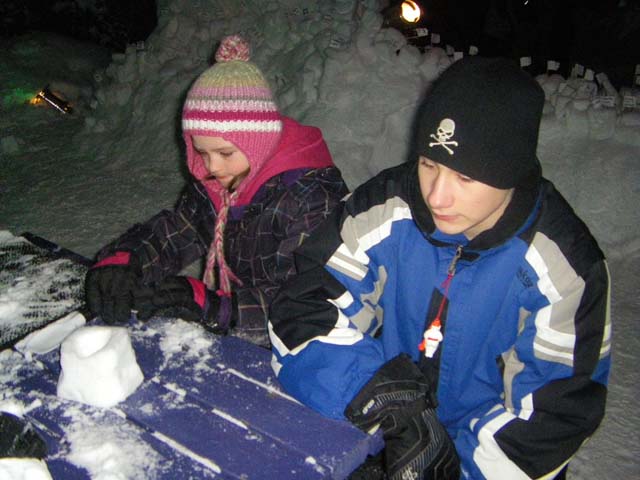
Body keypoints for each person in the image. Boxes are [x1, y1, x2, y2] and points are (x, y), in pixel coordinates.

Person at [268, 57, 611, 479]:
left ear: (512, 174)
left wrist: (442, 470)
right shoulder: (386, 207)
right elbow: (303, 310)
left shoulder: (564, 268)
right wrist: (382, 402)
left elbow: (553, 418)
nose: (436, 196)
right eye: (429, 164)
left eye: (465, 178)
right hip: (377, 431)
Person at [85, 35, 349, 347]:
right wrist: (126, 259)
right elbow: (179, 230)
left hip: (308, 350)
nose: (212, 167)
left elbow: (304, 305)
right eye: (202, 152)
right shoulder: (221, 180)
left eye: (224, 153)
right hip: (241, 333)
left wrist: (214, 306)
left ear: (258, 143)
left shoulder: (311, 200)